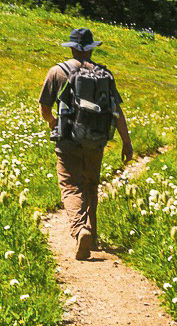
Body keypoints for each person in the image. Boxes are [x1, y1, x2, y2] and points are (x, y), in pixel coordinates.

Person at [38, 26, 133, 260]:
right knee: (91, 184)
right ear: (91, 49)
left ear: (71, 48)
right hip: (96, 139)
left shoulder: (57, 72)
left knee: (71, 186)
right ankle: (94, 234)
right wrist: (126, 142)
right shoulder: (104, 75)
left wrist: (52, 122)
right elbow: (116, 110)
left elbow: (44, 107)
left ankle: (81, 229)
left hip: (67, 139)